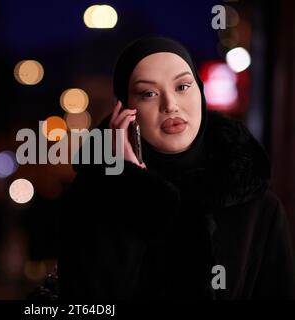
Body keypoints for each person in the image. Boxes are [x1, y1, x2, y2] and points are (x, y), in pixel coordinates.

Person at [57, 36, 295, 299]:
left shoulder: (256, 205)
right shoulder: (91, 200)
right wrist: (131, 184)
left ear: (200, 92)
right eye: (148, 93)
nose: (170, 105)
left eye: (183, 86)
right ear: (125, 110)